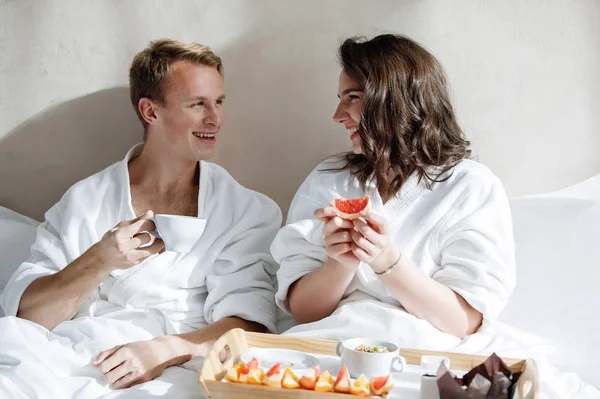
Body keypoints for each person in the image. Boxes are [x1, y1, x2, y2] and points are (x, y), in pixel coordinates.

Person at [0, 38, 281, 394]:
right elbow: (28, 317)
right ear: (151, 112)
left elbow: (250, 326)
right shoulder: (87, 200)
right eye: (198, 104)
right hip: (71, 356)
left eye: (219, 102)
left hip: (181, 363)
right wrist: (99, 260)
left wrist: (167, 349)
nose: (216, 118)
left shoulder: (245, 211)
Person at [272, 34, 515, 342]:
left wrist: (386, 260)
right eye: (340, 99)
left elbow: (463, 322)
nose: (337, 116)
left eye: (353, 97)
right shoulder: (330, 179)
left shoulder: (471, 188)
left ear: (394, 99)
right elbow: (304, 314)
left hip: (422, 351)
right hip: (331, 344)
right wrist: (340, 263)